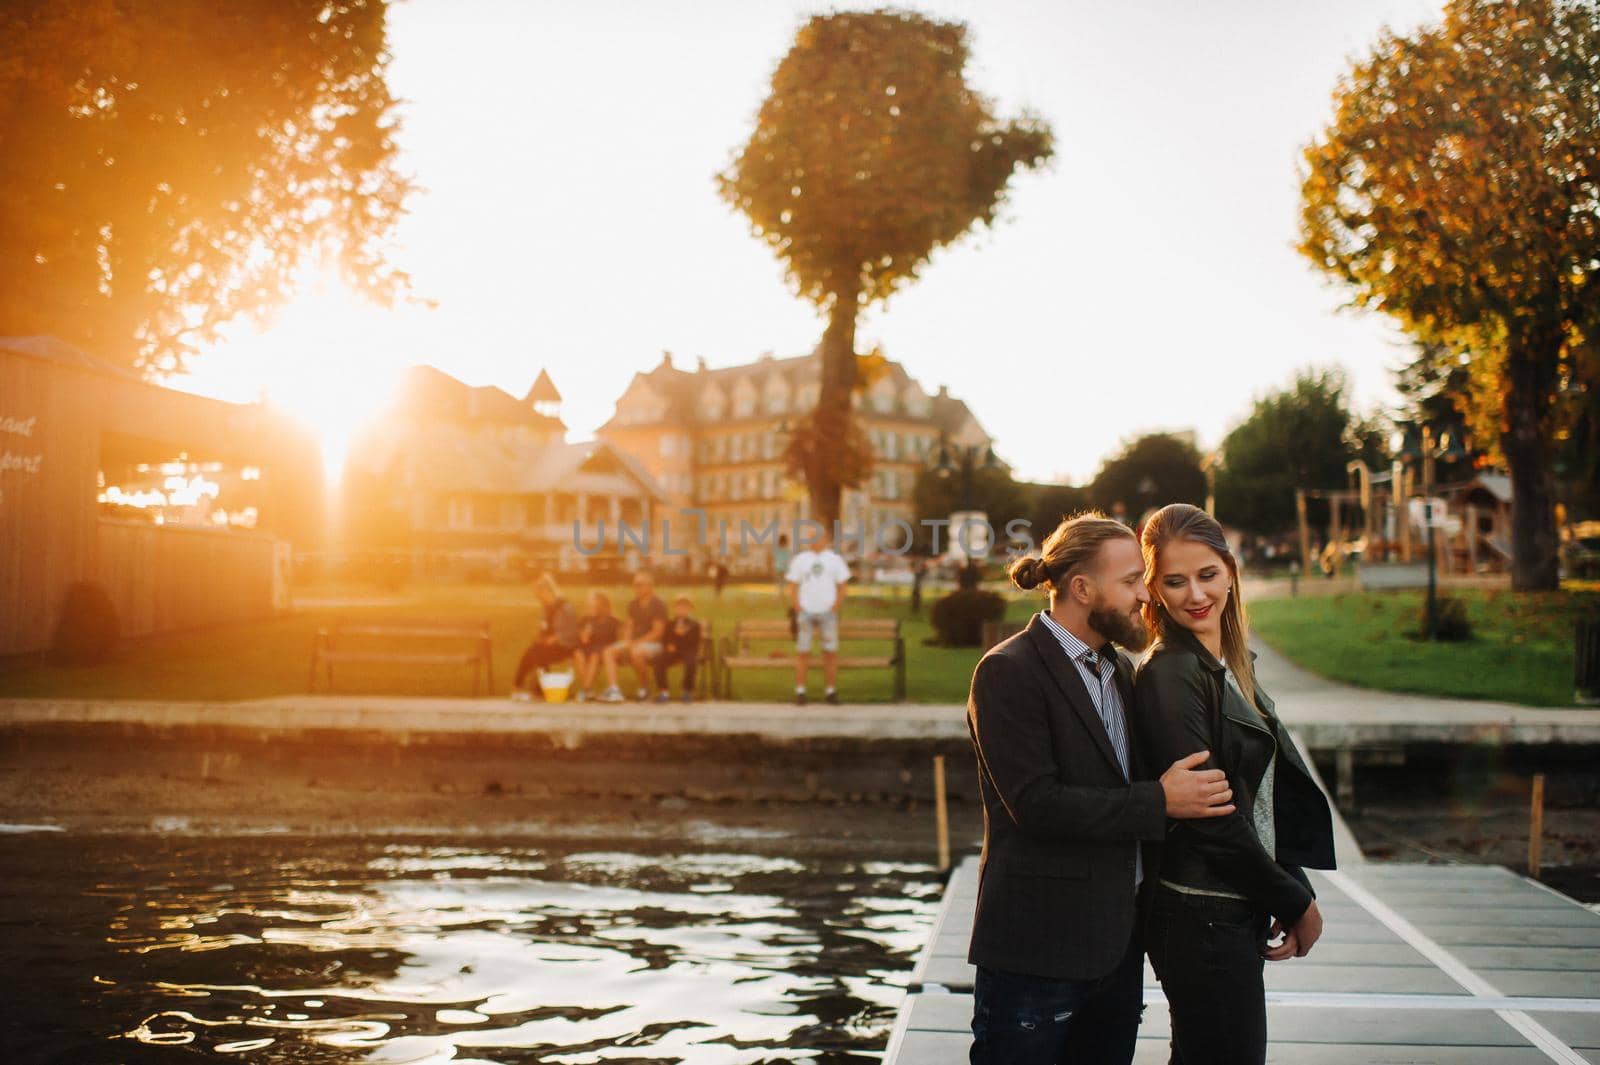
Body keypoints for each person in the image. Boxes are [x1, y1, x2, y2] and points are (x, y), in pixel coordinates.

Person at [966, 512, 1237, 1065]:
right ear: (1082, 588)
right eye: (1132, 580)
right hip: (1037, 956)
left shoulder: (1119, 669)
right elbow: (1037, 805)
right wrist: (1159, 801)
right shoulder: (1008, 671)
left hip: (1115, 953)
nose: (1146, 594)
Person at [1132, 503, 1336, 1065]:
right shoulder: (1172, 673)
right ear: (1153, 589)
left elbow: (1255, 794)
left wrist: (1291, 879)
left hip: (1230, 904)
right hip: (1199, 910)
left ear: (1231, 571)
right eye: (1174, 581)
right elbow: (1211, 817)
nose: (1195, 594)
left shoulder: (1224, 662)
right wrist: (1294, 901)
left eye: (1208, 575)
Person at [785, 526, 851, 705]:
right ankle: (800, 691)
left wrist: (835, 607)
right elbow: (792, 585)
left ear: (826, 539)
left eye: (817, 537)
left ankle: (830, 691)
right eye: (810, 537)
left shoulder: (834, 560)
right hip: (806, 613)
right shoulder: (800, 560)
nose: (813, 540)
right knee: (803, 652)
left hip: (827, 613)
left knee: (829, 652)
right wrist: (797, 607)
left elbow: (843, 585)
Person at [599, 570, 668, 702]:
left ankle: (644, 688)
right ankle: (614, 690)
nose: (636, 588)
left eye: (639, 585)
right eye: (634, 585)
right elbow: (629, 627)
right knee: (608, 651)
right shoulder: (633, 605)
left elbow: (658, 633)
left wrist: (636, 643)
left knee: (637, 653)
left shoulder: (658, 605)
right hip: (636, 642)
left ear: (649, 586)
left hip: (655, 644)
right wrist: (627, 642)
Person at [511, 574, 578, 700]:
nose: (539, 599)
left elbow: (572, 631)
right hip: (548, 646)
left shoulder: (565, 607)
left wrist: (556, 638)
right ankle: (522, 687)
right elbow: (544, 629)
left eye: (540, 595)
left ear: (547, 591)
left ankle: (536, 688)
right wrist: (540, 637)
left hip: (565, 645)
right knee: (532, 651)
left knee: (538, 653)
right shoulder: (546, 609)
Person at [571, 591, 620, 702]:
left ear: (601, 606)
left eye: (593, 606)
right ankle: (588, 691)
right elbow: (583, 641)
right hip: (589, 647)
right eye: (589, 606)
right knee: (578, 653)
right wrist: (586, 633)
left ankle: (586, 690)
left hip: (603, 649)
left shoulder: (612, 621)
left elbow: (614, 641)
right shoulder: (585, 620)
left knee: (594, 656)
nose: (590, 609)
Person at [652, 595, 702, 703]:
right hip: (673, 651)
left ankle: (687, 691)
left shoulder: (694, 625)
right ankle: (664, 691)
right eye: (679, 608)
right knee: (658, 660)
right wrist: (669, 645)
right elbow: (665, 639)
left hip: (688, 651)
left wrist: (683, 636)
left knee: (691, 662)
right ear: (675, 609)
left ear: (690, 609)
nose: (681, 610)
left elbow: (695, 642)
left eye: (685, 608)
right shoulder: (670, 623)